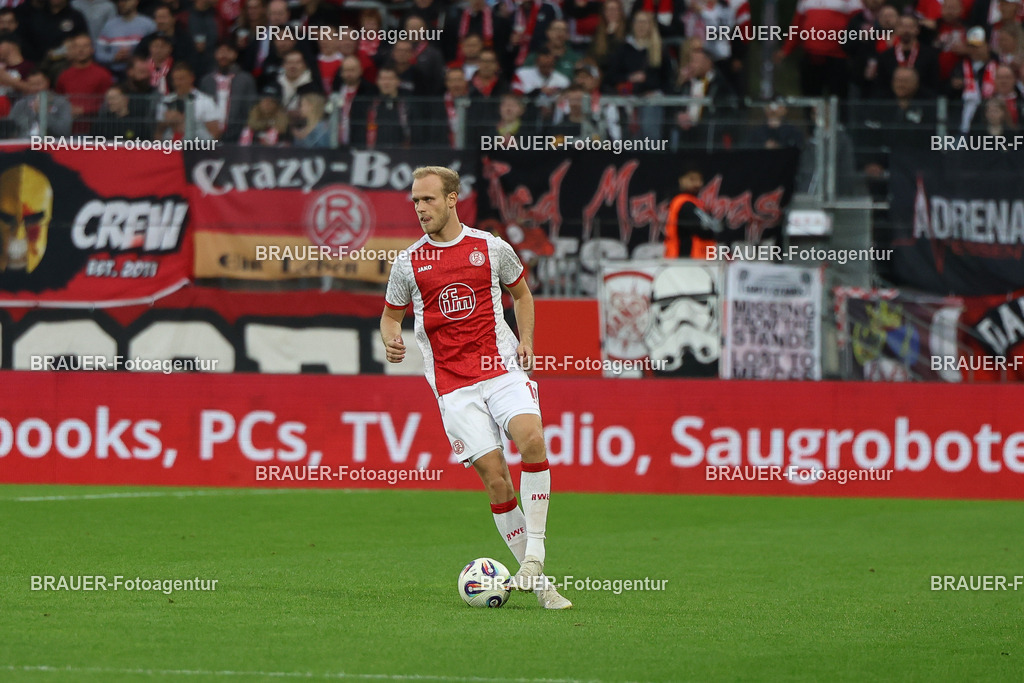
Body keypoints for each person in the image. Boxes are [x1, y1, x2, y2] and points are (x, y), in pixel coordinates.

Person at [380, 165, 572, 611]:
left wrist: (525, 340)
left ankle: (536, 557)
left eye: (427, 200)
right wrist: (390, 338)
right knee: (496, 479)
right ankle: (541, 585)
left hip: (500, 368)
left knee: (532, 439)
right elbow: (391, 316)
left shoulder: (490, 247)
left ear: (452, 200)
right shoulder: (408, 262)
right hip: (453, 387)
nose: (419, 208)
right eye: (414, 201)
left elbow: (522, 295)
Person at [664, 166, 721, 259]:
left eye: (700, 180)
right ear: (681, 180)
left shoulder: (696, 203)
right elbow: (705, 230)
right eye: (692, 179)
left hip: (697, 260)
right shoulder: (684, 203)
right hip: (686, 260)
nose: (697, 184)